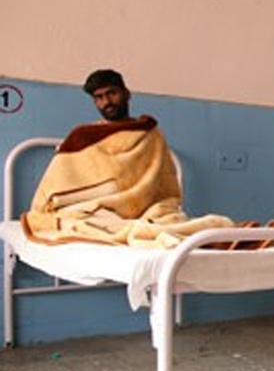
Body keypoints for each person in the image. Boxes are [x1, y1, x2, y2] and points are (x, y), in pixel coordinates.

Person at [22, 69, 234, 246]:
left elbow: (163, 187)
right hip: (97, 211)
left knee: (167, 219)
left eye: (112, 93)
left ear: (126, 93)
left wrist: (142, 204)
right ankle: (203, 232)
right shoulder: (82, 137)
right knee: (83, 220)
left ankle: (220, 234)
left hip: (147, 210)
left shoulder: (150, 133)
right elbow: (54, 190)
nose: (107, 101)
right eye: (99, 97)